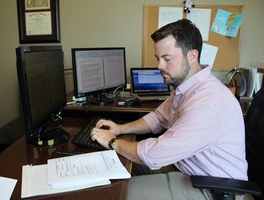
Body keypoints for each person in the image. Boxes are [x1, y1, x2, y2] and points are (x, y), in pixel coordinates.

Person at [90, 19, 247, 198]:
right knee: (118, 167)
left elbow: (155, 155)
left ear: (192, 56)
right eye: (158, 59)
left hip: (213, 188)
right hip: (186, 168)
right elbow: (158, 117)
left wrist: (112, 141)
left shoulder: (209, 102)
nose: (159, 66)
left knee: (115, 194)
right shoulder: (187, 87)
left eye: (167, 58)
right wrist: (120, 128)